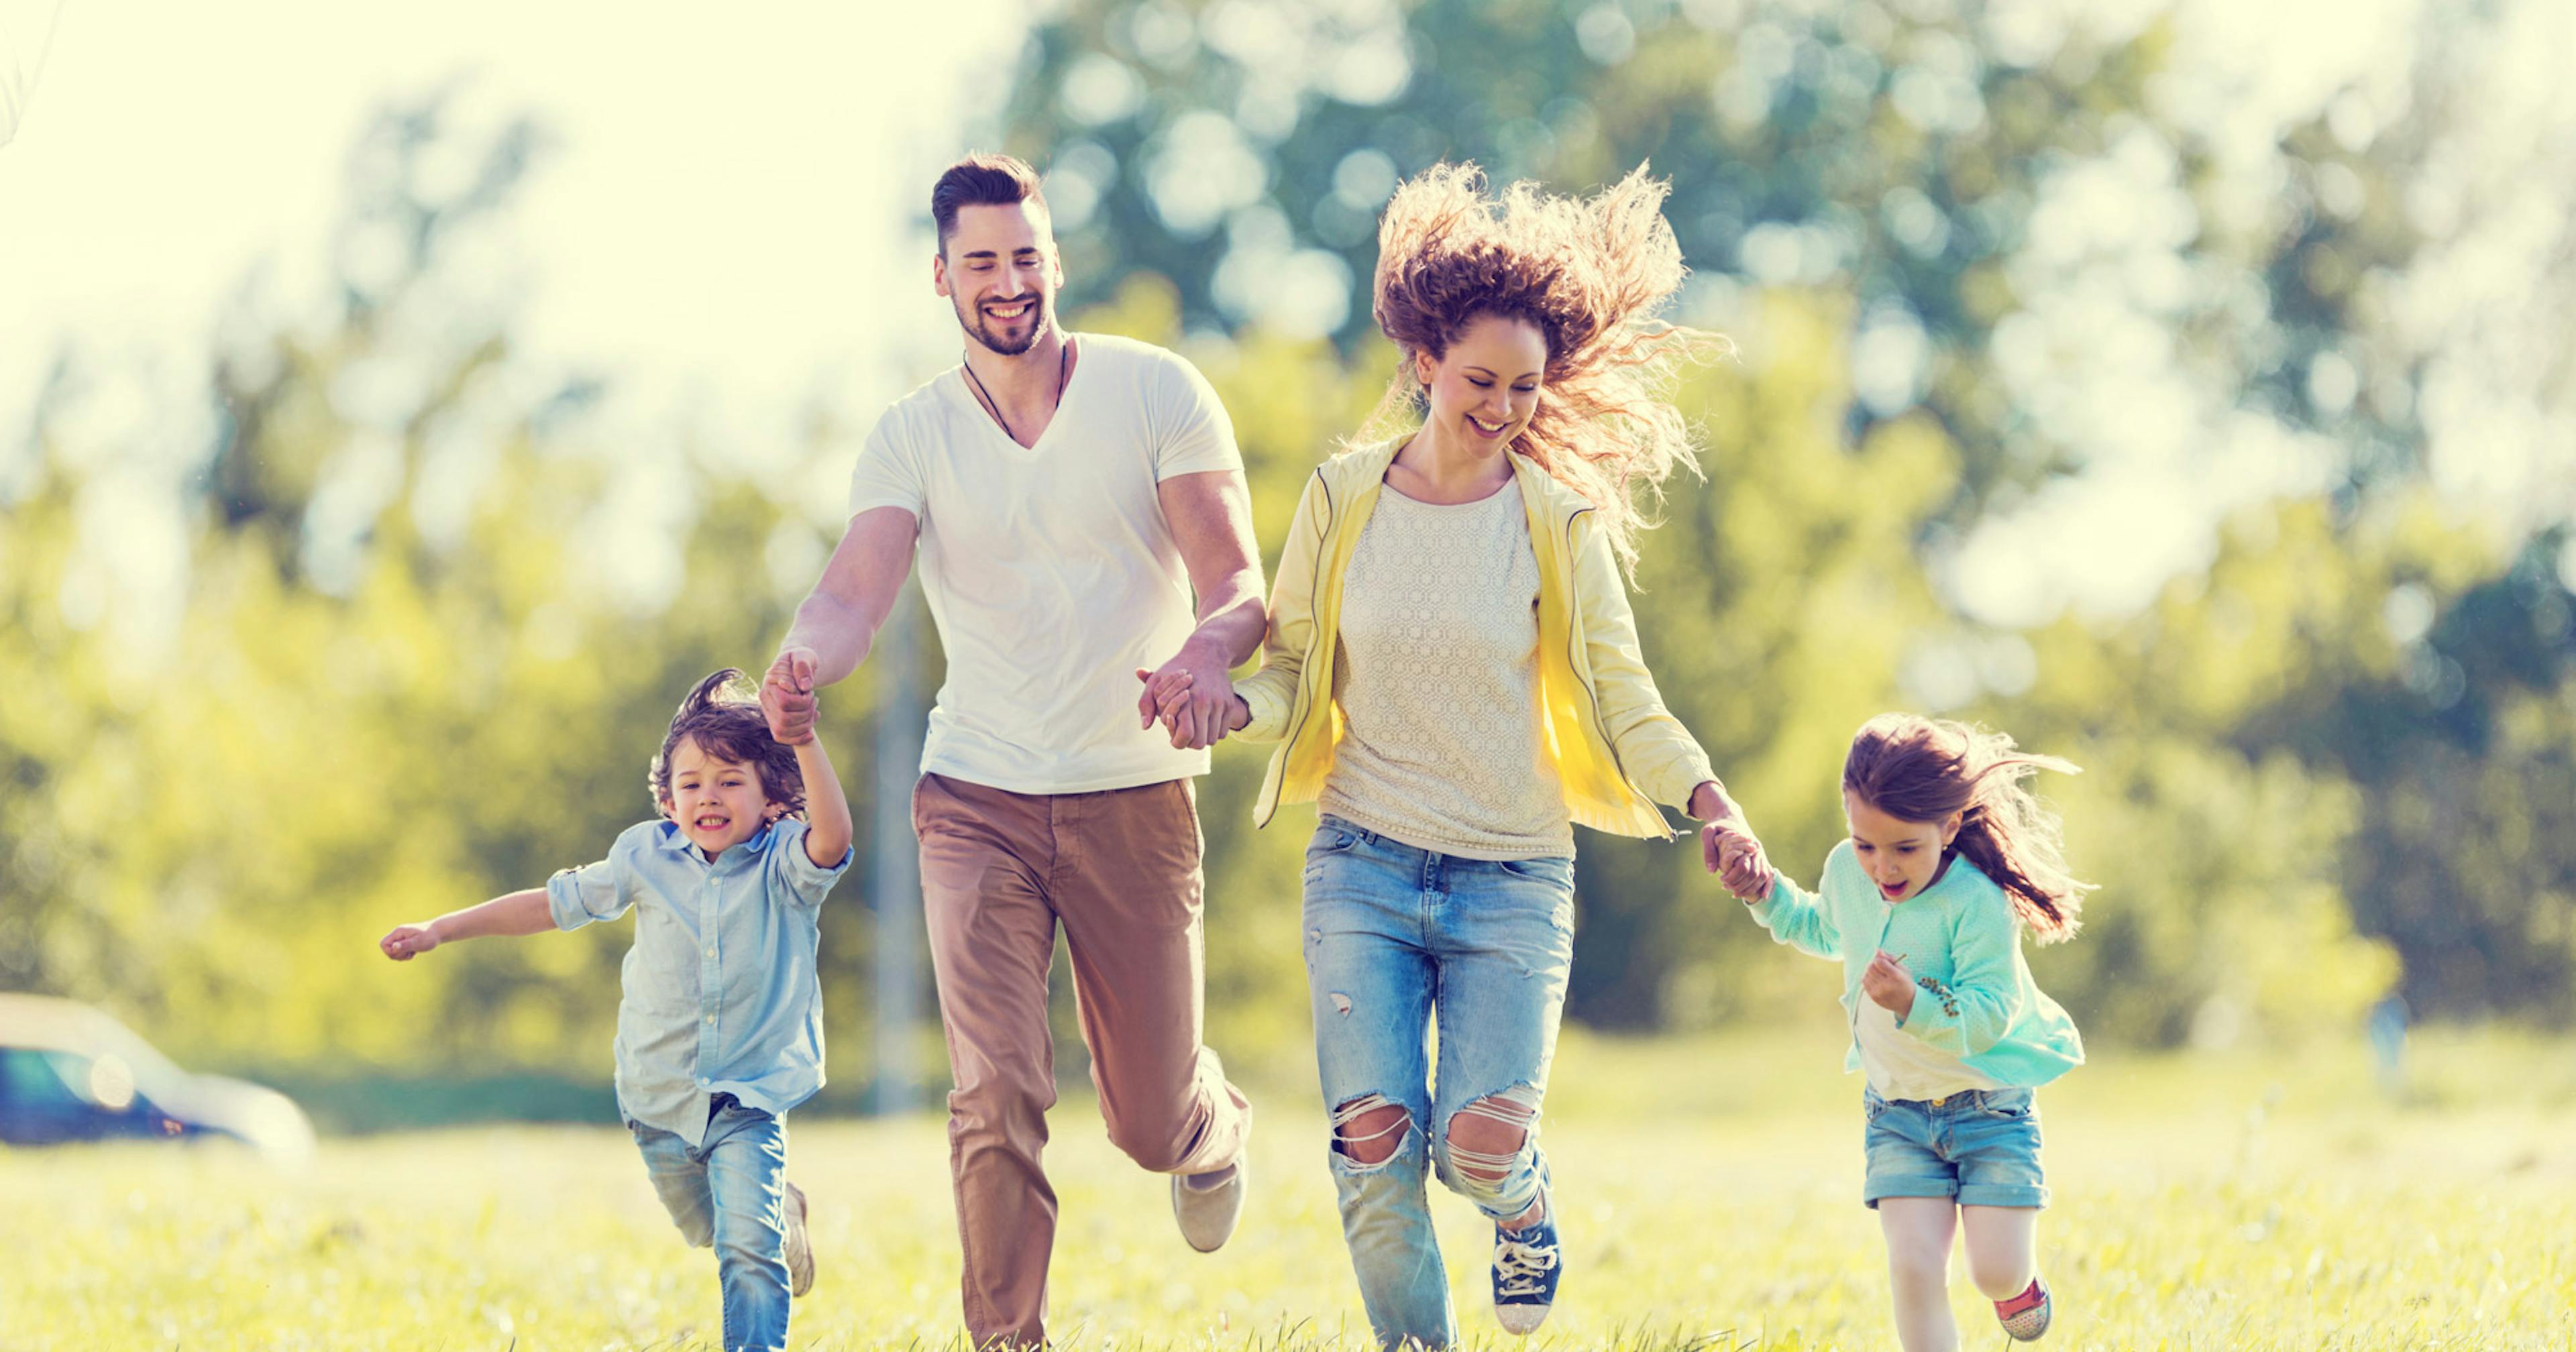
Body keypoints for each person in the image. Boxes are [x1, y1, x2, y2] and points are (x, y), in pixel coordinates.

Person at [1149, 162, 1767, 1349]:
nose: (1503, 406)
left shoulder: (1557, 522)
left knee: (1481, 1146)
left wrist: (1712, 802)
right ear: (1425, 364)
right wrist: (1227, 704)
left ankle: (1524, 1209)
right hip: (1364, 867)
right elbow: (1292, 676)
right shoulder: (1341, 497)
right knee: (1375, 1144)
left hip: (1511, 878)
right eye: (1481, 380)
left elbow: (1627, 696)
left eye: (1526, 387)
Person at [760, 152, 1263, 1351]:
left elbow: (1236, 576)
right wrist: (800, 662)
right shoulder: (911, 435)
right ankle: (1008, 1339)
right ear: (942, 277)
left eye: (1025, 256)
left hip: (1130, 790)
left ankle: (1209, 1124)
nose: (1007, 281)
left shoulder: (1159, 392)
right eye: (980, 261)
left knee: (1144, 1120)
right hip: (974, 798)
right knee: (994, 1090)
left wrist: (1206, 655)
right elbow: (853, 591)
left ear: (1055, 263)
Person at [378, 669, 855, 1352]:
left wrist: (803, 739)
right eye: (691, 784)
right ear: (668, 799)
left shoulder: (785, 862)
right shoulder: (645, 857)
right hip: (657, 1099)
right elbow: (549, 904)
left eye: (729, 781)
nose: (708, 797)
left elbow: (833, 839)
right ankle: (783, 1212)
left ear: (772, 797)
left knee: (746, 1252)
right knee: (715, 1229)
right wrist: (440, 929)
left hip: (747, 1095)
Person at [1709, 713, 2088, 1348]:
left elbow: (1992, 1011)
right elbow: (1825, 930)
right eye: (1865, 844)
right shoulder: (1847, 871)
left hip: (1989, 1112)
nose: (1881, 867)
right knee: (1913, 1269)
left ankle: (2017, 1287)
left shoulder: (1977, 903)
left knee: (1993, 1271)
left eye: (1904, 848)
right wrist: (1764, 891)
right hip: (1898, 1114)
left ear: (1948, 826)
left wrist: (1914, 1003)